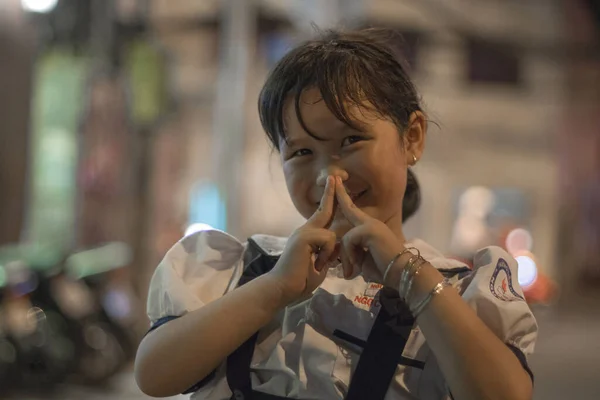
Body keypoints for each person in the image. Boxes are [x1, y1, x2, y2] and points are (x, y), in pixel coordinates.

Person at [134, 29, 537, 400]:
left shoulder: (461, 292)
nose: (330, 175)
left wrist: (410, 276)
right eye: (302, 152)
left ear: (411, 137)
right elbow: (153, 375)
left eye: (352, 139)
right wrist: (275, 288)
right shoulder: (243, 270)